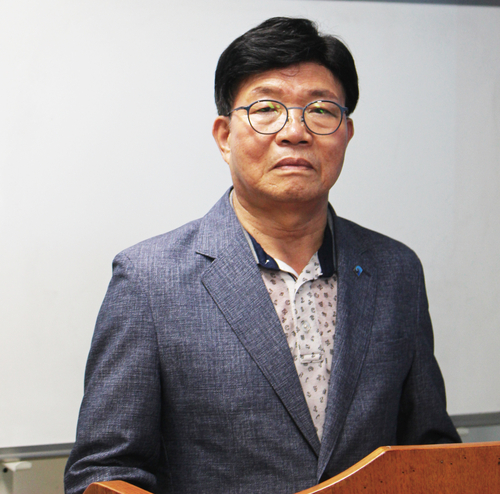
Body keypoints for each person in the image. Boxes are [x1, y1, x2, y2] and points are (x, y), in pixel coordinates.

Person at [64, 16, 460, 494]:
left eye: (320, 110)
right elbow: (104, 472)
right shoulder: (149, 279)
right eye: (267, 108)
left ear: (347, 133)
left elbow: (431, 450)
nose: (295, 131)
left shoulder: (395, 270)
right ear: (224, 135)